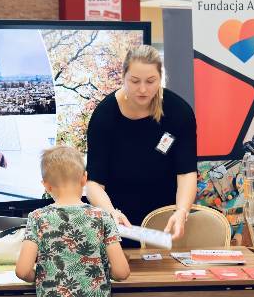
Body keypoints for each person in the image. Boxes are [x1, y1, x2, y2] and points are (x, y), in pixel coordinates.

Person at [16, 145, 130, 297]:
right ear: (84, 179)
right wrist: (103, 272)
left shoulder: (37, 218)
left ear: (46, 186)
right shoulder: (102, 217)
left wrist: (41, 275)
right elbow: (122, 272)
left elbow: (23, 271)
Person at [85, 45, 198, 246]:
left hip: (164, 219)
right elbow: (94, 183)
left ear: (160, 78)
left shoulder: (178, 112)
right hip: (120, 222)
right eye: (135, 81)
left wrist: (182, 211)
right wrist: (111, 213)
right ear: (123, 77)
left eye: (151, 81)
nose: (143, 89)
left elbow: (186, 171)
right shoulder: (104, 116)